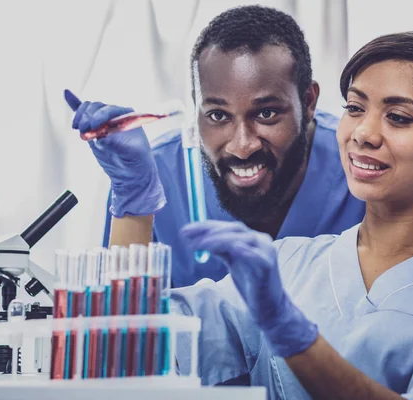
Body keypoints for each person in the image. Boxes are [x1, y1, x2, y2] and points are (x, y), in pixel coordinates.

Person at [173, 32, 413, 399]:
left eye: (397, 117)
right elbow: (146, 339)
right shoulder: (287, 263)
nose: (363, 133)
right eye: (355, 108)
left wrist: (294, 334)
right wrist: (134, 204)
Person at [64, 5, 365, 288]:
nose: (243, 145)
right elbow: (121, 331)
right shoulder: (153, 178)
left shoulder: (360, 167)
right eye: (218, 115)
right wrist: (133, 198)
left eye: (266, 113)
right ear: (196, 109)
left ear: (308, 101)